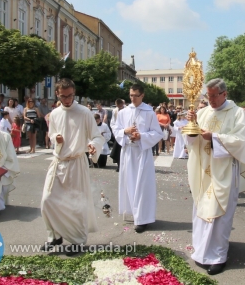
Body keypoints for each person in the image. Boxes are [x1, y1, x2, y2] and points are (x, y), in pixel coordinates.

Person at [185, 78, 245, 275]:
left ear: (225, 94)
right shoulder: (202, 112)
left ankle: (218, 256)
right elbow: (191, 141)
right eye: (208, 96)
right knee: (202, 208)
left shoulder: (237, 113)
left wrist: (214, 137)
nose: (211, 100)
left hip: (223, 170)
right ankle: (201, 250)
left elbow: (241, 141)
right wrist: (192, 127)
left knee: (220, 214)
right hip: (203, 170)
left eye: (214, 95)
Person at [40, 78, 105, 256]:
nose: (67, 100)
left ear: (74, 93)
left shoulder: (84, 112)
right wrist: (56, 139)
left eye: (70, 96)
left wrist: (93, 145)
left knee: (76, 204)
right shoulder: (54, 114)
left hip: (76, 163)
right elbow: (52, 134)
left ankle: (77, 241)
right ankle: (54, 235)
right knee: (47, 200)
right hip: (58, 162)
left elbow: (97, 136)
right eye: (63, 96)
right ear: (57, 94)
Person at [112, 84, 163, 233]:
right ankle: (134, 212)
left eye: (135, 95)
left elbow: (157, 133)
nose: (132, 98)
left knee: (142, 185)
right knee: (130, 183)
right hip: (128, 151)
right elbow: (115, 128)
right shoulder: (123, 112)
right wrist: (125, 131)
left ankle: (143, 219)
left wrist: (142, 136)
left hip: (142, 153)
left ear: (142, 96)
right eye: (131, 95)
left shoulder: (149, 112)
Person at [110, 98, 125, 172]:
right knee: (117, 151)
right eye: (118, 106)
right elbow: (113, 122)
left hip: (125, 132)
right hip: (118, 133)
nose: (119, 106)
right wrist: (115, 131)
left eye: (120, 105)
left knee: (124, 150)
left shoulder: (126, 110)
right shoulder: (115, 111)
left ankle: (125, 166)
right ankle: (119, 165)